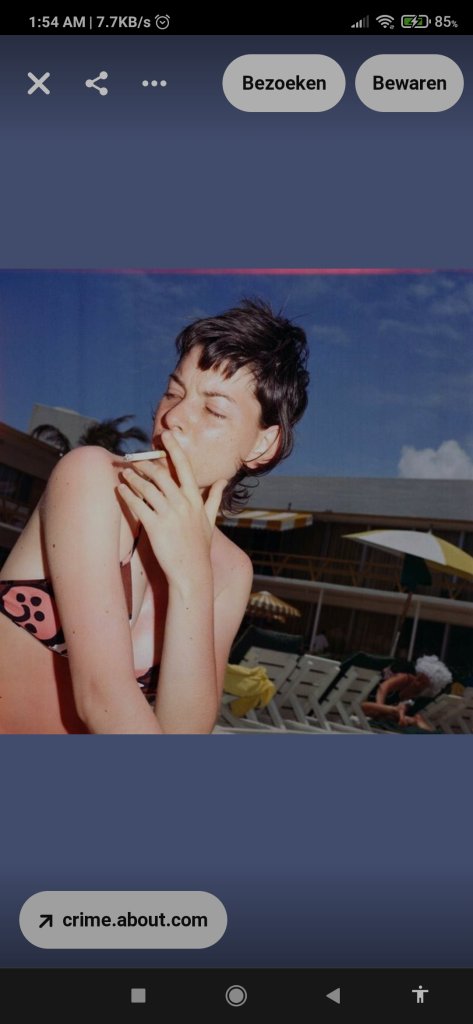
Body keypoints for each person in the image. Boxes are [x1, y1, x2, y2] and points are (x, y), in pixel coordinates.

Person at [0, 298, 309, 734]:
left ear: (263, 445)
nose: (173, 417)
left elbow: (185, 732)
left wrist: (191, 579)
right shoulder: (94, 479)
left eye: (214, 409)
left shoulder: (231, 570)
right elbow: (102, 699)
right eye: (173, 392)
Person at [361, 654, 452, 731]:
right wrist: (380, 707)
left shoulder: (418, 694)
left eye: (423, 684)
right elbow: (383, 688)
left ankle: (423, 728)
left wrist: (398, 713)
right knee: (368, 708)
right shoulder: (405, 678)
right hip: (374, 703)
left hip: (388, 713)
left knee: (407, 716)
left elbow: (404, 707)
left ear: (428, 686)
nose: (418, 683)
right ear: (417, 673)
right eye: (419, 678)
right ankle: (413, 720)